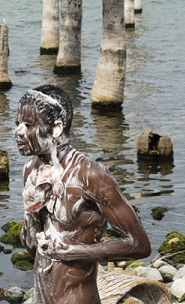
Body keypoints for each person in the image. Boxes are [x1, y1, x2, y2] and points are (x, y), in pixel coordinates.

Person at [14, 84, 150, 304]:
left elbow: (139, 245)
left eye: (28, 124)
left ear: (55, 128)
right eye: (17, 123)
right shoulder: (31, 169)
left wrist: (68, 252)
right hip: (41, 297)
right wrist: (30, 214)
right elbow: (33, 251)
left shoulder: (91, 175)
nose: (18, 131)